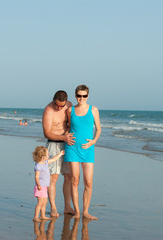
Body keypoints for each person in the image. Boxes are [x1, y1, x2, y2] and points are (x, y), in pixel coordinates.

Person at [64, 85, 101, 220]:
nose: (81, 98)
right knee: (74, 180)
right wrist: (65, 137)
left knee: (89, 182)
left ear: (88, 96)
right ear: (75, 96)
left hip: (88, 149)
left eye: (84, 96)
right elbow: (67, 127)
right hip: (72, 148)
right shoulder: (70, 110)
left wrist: (93, 141)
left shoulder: (94, 110)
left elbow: (98, 129)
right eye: (79, 96)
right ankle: (77, 212)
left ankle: (86, 211)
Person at [42, 90, 75, 217]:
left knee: (68, 176)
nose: (59, 108)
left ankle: (67, 207)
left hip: (67, 143)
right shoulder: (48, 110)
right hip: (53, 144)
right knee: (53, 177)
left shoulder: (69, 105)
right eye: (57, 105)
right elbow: (47, 133)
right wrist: (63, 138)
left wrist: (67, 132)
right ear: (53, 100)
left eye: (62, 106)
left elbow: (71, 123)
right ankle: (54, 208)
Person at [32, 146, 65, 222]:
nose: (48, 155)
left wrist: (60, 154)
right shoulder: (38, 166)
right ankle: (36, 216)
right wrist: (38, 185)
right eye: (47, 154)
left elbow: (53, 159)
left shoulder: (45, 163)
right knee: (40, 202)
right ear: (43, 157)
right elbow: (36, 177)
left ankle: (43, 216)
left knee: (45, 202)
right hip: (40, 187)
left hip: (45, 187)